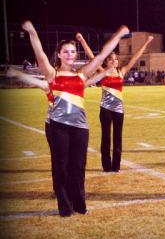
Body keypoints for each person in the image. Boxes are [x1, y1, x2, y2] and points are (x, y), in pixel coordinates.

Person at [22, 20, 129, 217]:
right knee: (61, 166)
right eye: (66, 51)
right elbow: (40, 54)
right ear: (59, 54)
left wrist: (119, 35)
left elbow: (103, 54)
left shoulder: (81, 74)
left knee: (78, 167)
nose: (70, 54)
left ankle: (79, 203)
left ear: (76, 54)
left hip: (80, 127)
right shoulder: (52, 74)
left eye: (72, 51)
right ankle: (64, 203)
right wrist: (32, 31)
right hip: (57, 127)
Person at [78, 33, 154, 172]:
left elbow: (135, 57)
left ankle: (116, 166)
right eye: (111, 59)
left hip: (119, 110)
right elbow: (92, 57)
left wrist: (146, 42)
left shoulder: (121, 72)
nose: (114, 61)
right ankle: (106, 166)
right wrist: (83, 40)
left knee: (118, 138)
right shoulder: (103, 72)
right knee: (106, 137)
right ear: (106, 62)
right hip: (106, 109)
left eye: (116, 59)